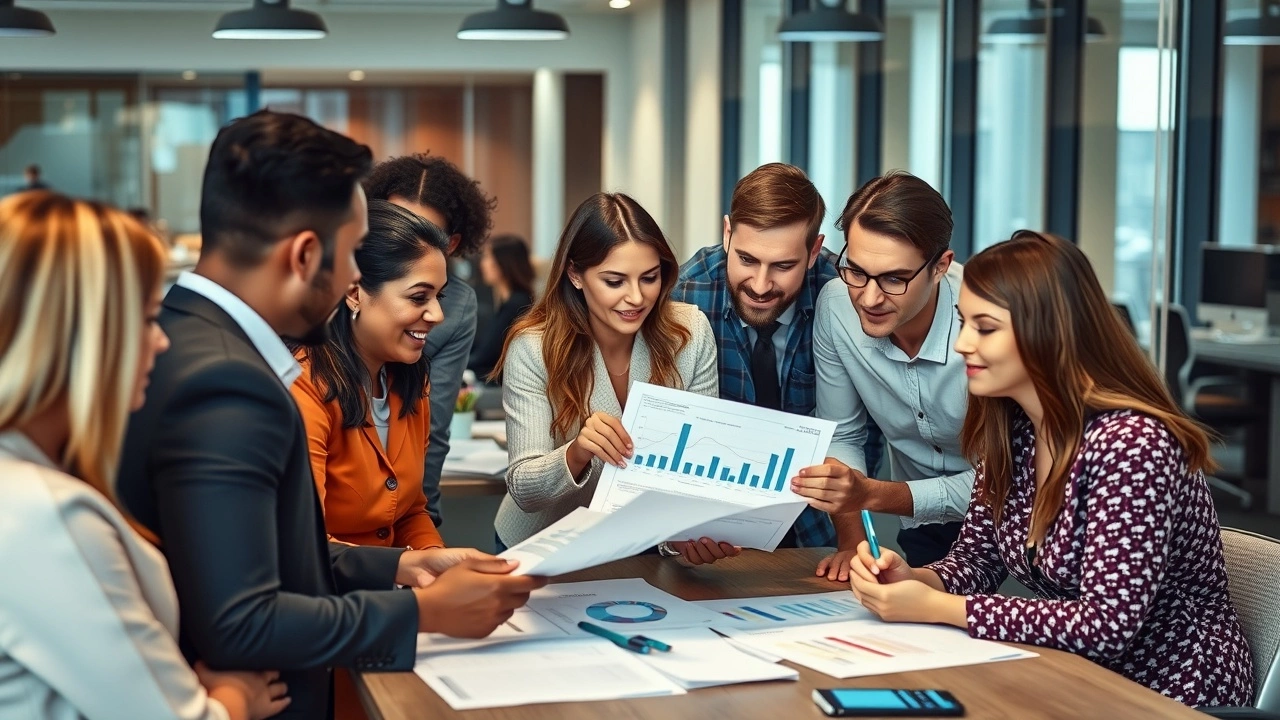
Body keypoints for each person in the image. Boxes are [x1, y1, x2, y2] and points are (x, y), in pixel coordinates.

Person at [117, 110, 546, 720]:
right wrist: (422, 611)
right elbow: (241, 619)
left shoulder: (181, 336)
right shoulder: (229, 381)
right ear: (305, 255)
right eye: (350, 255)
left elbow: (268, 553)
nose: (353, 275)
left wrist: (403, 562)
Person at [846, 230, 1254, 707]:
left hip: (1172, 691)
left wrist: (941, 607)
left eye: (986, 327)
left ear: (1049, 331)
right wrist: (919, 580)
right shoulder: (1015, 430)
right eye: (963, 323)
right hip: (1075, 674)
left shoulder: (1134, 446)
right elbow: (976, 561)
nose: (962, 345)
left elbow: (1106, 627)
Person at [0, 192, 287, 720]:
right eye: (148, 318)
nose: (160, 343)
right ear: (83, 334)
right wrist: (232, 701)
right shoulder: (43, 514)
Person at [674, 162, 884, 566]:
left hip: (820, 528)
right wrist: (677, 533)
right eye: (747, 259)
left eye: (783, 266)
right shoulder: (686, 295)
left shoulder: (846, 300)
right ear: (727, 233)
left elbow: (856, 433)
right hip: (712, 531)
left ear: (814, 250)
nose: (759, 284)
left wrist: (850, 540)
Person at [492, 192, 718, 551]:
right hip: (542, 545)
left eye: (649, 277)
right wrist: (578, 451)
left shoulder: (689, 333)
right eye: (615, 281)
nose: (636, 298)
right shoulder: (533, 347)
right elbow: (523, 487)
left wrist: (680, 541)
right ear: (576, 276)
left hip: (637, 541)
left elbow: (697, 465)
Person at [792, 171, 972, 579]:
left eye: (894, 278)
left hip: (1018, 525)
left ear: (941, 266)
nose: (869, 298)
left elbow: (1010, 484)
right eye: (855, 271)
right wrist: (853, 544)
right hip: (922, 523)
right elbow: (843, 434)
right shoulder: (838, 304)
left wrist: (873, 494)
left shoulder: (983, 322)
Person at [291, 200, 450, 552]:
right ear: (354, 292)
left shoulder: (410, 380)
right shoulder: (303, 384)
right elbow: (305, 542)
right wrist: (407, 569)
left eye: (440, 296)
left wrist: (439, 566)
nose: (437, 314)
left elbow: (409, 513)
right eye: (419, 296)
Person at [364, 154, 497, 527]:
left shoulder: (454, 308)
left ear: (450, 244)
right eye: (392, 228)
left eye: (424, 234)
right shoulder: (334, 299)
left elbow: (432, 432)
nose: (405, 246)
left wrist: (424, 526)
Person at [470, 233, 535, 380]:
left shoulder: (516, 305)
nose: (482, 264)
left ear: (503, 263)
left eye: (487, 257)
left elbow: (486, 357)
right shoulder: (511, 302)